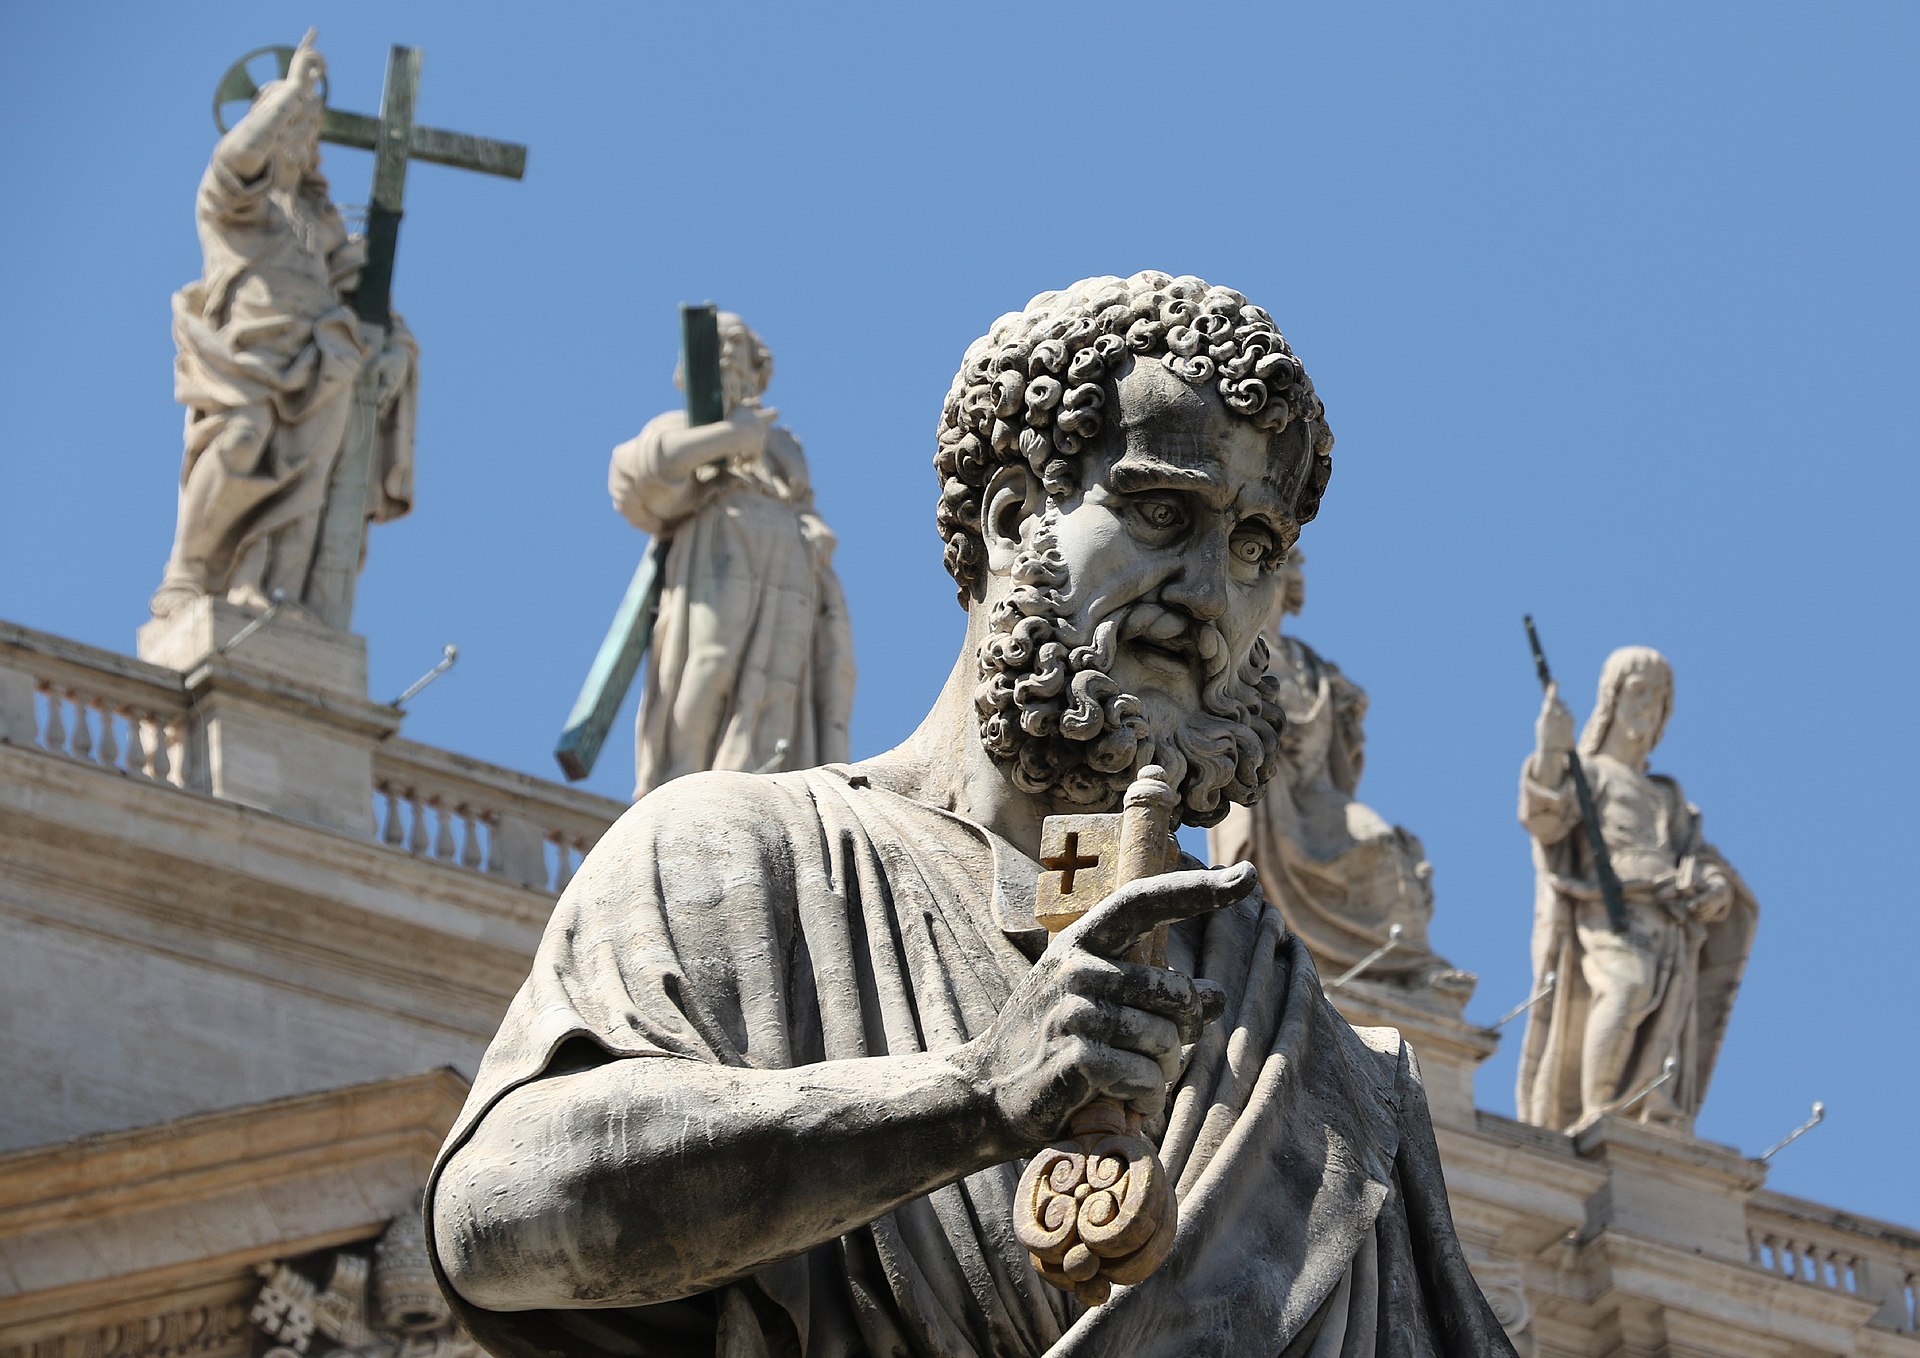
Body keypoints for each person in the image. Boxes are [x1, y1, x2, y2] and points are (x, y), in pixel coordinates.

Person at [429, 273, 1513, 1356]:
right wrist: (974, 1094)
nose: (1208, 593)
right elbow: (496, 1218)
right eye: (1161, 514)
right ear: (1009, 519)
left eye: (1256, 548)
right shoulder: (742, 854)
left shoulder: (1326, 1075)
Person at [151, 30, 417, 623]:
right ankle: (187, 573)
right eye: (288, 123)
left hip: (323, 357)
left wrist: (398, 350)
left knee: (308, 475)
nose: (299, 133)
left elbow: (369, 299)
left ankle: (271, 590)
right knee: (242, 437)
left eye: (306, 126)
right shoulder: (234, 204)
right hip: (249, 350)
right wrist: (289, 94)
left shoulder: (322, 224)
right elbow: (232, 162)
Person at [606, 314, 855, 799]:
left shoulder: (782, 444)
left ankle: (766, 784)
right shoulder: (681, 427)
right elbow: (642, 471)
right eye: (715, 344)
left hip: (790, 558)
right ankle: (681, 780)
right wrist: (731, 436)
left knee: (783, 677)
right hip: (721, 543)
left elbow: (803, 499)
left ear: (756, 366)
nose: (724, 353)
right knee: (710, 660)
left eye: (736, 344)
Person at [1514, 647, 1758, 1133]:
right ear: (1612, 699)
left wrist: (1712, 884)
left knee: (1662, 1021)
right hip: (1609, 910)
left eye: (1658, 698)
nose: (1647, 706)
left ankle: (1644, 1110)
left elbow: (1700, 855)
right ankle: (1600, 1107)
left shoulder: (1667, 795)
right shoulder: (1588, 773)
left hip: (1670, 918)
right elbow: (1546, 820)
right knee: (1627, 988)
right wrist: (1551, 751)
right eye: (1638, 692)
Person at [1210, 553, 1470, 1000]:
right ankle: (1278, 953)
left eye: (1282, 564)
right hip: (1265, 786)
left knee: (1383, 845)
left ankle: (1409, 968)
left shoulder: (1307, 663)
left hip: (1315, 792)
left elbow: (1341, 742)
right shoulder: (1234, 645)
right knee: (1264, 878)